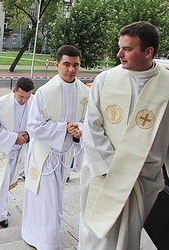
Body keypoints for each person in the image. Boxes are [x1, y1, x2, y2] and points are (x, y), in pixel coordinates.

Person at [78, 21, 169, 250]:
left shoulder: (167, 85)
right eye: (120, 47)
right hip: (104, 174)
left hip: (141, 180)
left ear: (148, 52)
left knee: (126, 240)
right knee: (94, 237)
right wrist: (113, 169)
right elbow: (92, 126)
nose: (119, 54)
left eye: (127, 49)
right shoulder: (106, 80)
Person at [22, 45, 89, 249]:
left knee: (54, 201)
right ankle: (47, 242)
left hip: (65, 155)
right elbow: (33, 126)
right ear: (57, 64)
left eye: (76, 65)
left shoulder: (85, 93)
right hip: (45, 156)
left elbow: (88, 122)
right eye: (67, 64)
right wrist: (63, 129)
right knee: (46, 201)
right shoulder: (45, 92)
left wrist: (80, 131)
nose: (71, 70)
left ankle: (37, 235)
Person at [0, 77, 34, 228]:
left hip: (19, 152)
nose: (24, 101)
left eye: (28, 97)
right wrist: (14, 137)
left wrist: (27, 137)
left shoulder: (33, 102)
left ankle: (2, 209)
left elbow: (36, 125)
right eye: (21, 97)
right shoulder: (1, 104)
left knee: (6, 184)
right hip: (2, 150)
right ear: (14, 91)